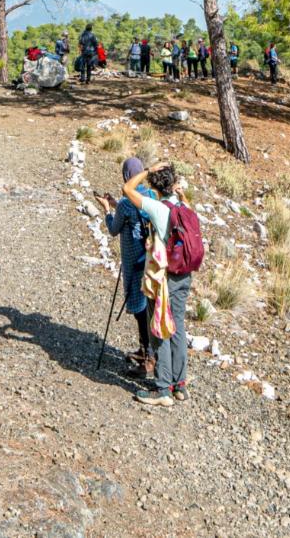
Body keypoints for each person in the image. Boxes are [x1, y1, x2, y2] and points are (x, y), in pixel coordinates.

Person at [122, 160, 193, 406]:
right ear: (173, 184)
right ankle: (179, 385)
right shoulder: (182, 206)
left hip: (163, 277)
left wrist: (147, 170)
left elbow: (128, 190)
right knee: (178, 327)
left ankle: (163, 390)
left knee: (160, 326)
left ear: (154, 185)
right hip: (184, 275)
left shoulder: (157, 208)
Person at [97, 156, 158, 381]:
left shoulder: (125, 203)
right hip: (150, 259)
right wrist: (115, 204)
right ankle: (149, 352)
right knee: (149, 306)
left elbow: (114, 229)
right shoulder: (151, 196)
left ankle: (147, 357)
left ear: (125, 176)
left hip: (133, 260)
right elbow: (135, 216)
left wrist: (107, 210)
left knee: (139, 308)